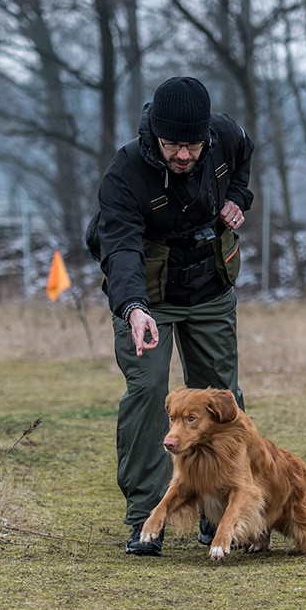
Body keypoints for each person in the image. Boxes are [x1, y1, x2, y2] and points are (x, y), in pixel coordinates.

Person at [93, 76, 254, 556]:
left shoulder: (227, 136)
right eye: (172, 146)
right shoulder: (124, 174)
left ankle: (219, 508)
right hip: (150, 292)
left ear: (206, 134)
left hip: (209, 285)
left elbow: (243, 163)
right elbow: (118, 248)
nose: (183, 156)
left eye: (192, 145)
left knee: (222, 397)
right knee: (146, 390)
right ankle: (147, 517)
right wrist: (133, 309)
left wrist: (237, 200)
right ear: (154, 137)